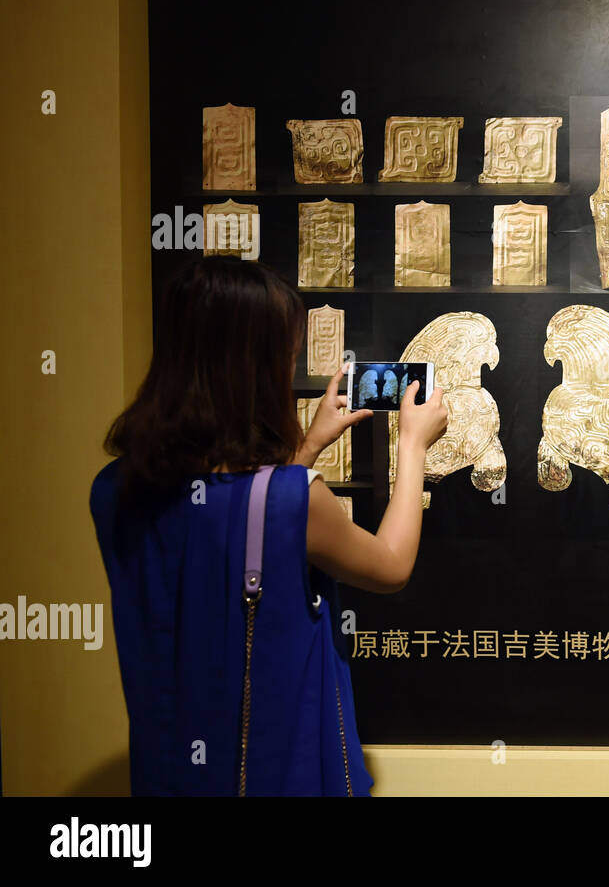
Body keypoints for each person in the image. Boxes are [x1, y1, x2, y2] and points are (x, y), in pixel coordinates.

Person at [89, 257, 447, 796]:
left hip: (168, 776)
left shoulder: (113, 490)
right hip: (278, 775)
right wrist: (413, 445)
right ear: (253, 369)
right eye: (285, 355)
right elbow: (391, 565)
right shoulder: (294, 502)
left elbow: (224, 532)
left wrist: (306, 448)